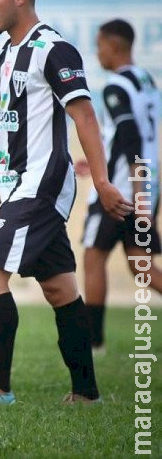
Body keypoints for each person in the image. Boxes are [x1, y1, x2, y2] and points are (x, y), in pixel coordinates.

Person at [0, 0, 132, 405]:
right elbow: (6, 125)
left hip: (42, 183)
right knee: (59, 288)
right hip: (17, 184)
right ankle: (86, 393)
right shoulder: (8, 54)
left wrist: (105, 182)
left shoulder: (53, 49)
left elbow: (84, 115)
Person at [77, 19, 162, 352]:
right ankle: (94, 340)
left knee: (93, 257)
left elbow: (129, 137)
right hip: (147, 183)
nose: (97, 53)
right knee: (141, 267)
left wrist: (136, 191)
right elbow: (136, 135)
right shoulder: (146, 81)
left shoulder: (115, 86)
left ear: (112, 45)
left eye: (99, 46)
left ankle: (93, 342)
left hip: (122, 190)